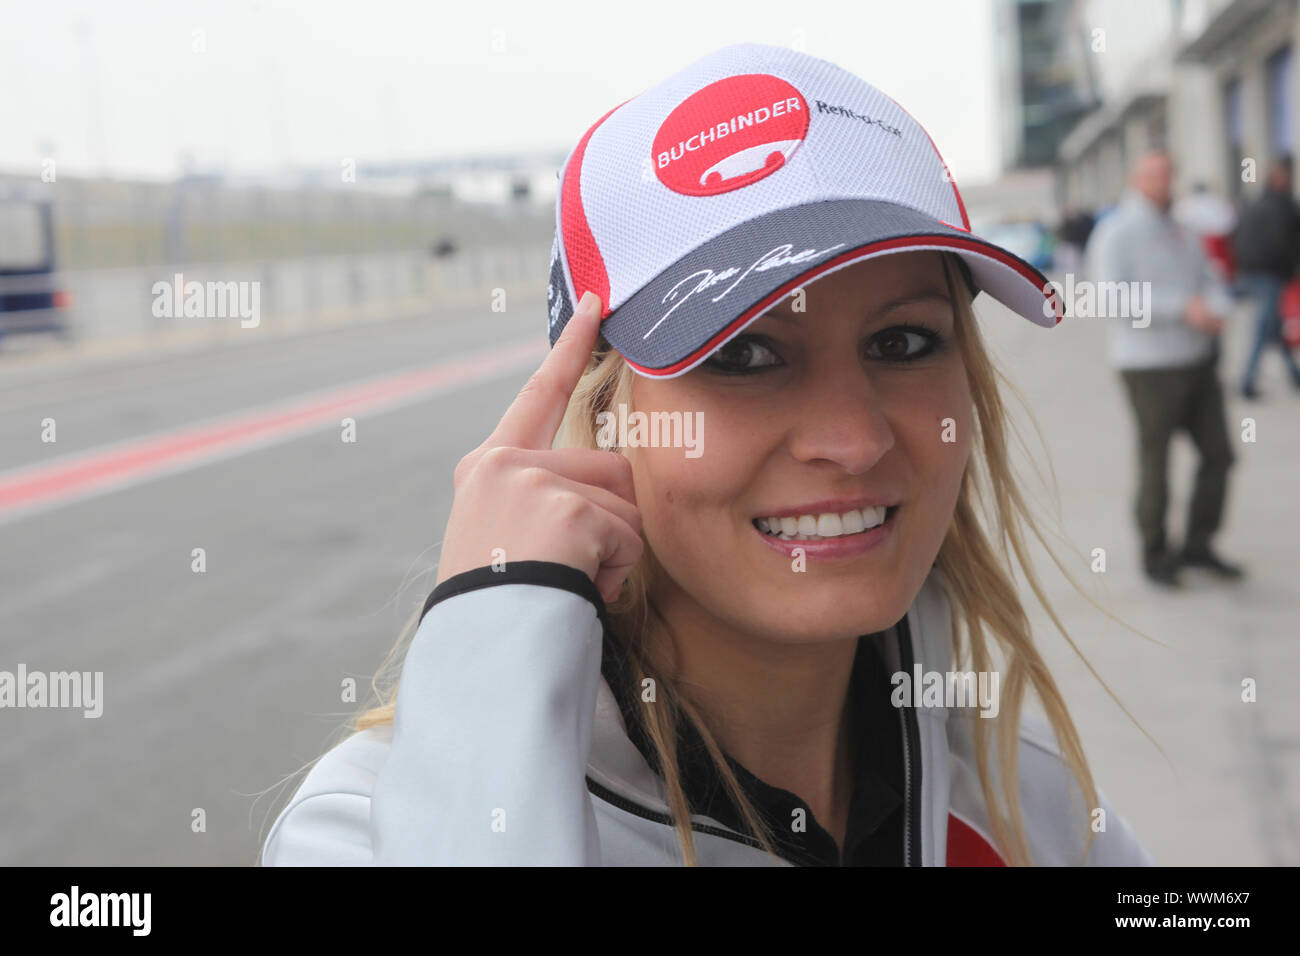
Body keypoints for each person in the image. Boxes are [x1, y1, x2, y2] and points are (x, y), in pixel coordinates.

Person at [260, 43, 1153, 866]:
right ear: (602, 411)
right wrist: (494, 649)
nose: (853, 440)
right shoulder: (363, 829)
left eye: (904, 343)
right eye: (743, 354)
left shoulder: (1028, 806)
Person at [1085, 151, 1242, 588]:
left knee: (1220, 455)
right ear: (1136, 178)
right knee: (1156, 461)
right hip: (1148, 366)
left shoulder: (1185, 230)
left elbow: (1211, 280)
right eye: (1153, 175)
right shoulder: (1115, 232)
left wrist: (1215, 306)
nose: (1162, 182)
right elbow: (1108, 300)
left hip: (1196, 360)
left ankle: (1199, 545)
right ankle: (1156, 554)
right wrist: (1179, 309)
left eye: (1167, 174)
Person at [1233, 156, 1300, 399]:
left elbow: (1237, 236)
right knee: (1263, 330)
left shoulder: (1253, 203)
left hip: (1253, 273)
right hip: (1270, 275)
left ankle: (1294, 375)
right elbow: (1289, 244)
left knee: (1274, 327)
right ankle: (1246, 382)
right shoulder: (1284, 207)